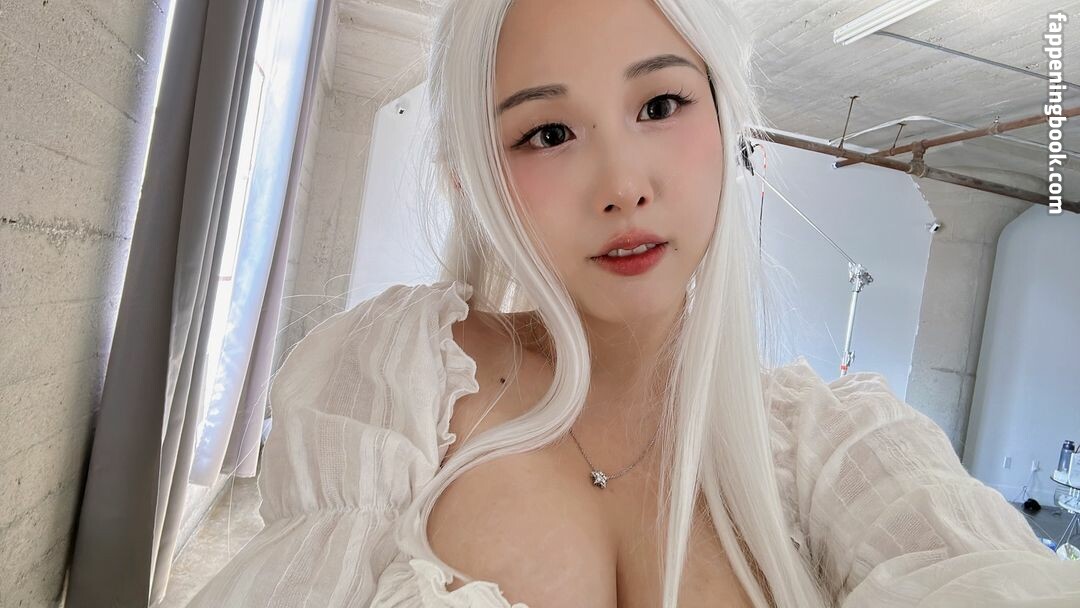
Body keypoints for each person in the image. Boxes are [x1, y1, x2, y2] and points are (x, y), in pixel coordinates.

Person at [187, 0, 1080, 606]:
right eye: (548, 132)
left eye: (660, 104)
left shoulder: (836, 442)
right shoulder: (400, 381)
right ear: (474, 181)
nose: (623, 185)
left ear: (726, 124)